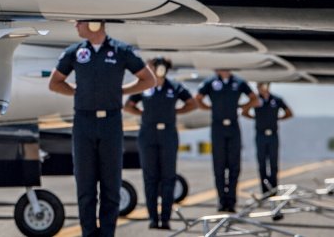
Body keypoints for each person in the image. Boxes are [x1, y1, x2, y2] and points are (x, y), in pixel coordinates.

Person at [49, 20, 156, 237]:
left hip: (111, 123)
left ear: (96, 24)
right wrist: (79, 92)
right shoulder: (75, 52)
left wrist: (121, 90)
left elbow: (148, 80)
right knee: (85, 186)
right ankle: (89, 233)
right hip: (83, 123)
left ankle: (107, 234)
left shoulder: (121, 51)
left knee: (111, 184)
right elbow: (55, 83)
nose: (76, 26)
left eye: (80, 22)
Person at [123, 57, 197, 230]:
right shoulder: (145, 87)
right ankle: (153, 218)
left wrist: (175, 111)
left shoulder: (174, 87)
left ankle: (165, 219)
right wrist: (142, 113)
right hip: (148, 134)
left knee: (168, 177)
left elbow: (192, 103)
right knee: (150, 177)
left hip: (168, 134)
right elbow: (128, 106)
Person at [195, 69, 260, 212]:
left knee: (234, 166)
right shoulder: (211, 82)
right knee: (219, 166)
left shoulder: (238, 82)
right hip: (217, 127)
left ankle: (231, 201)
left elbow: (254, 98)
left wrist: (242, 107)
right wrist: (211, 108)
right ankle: (221, 201)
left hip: (233, 127)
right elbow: (198, 98)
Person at [242, 82, 293, 193]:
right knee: (262, 163)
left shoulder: (276, 99)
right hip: (260, 135)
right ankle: (265, 190)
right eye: (259, 87)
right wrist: (254, 117)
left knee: (273, 163)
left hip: (273, 135)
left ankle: (273, 189)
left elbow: (289, 112)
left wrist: (278, 119)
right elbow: (244, 111)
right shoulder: (256, 100)